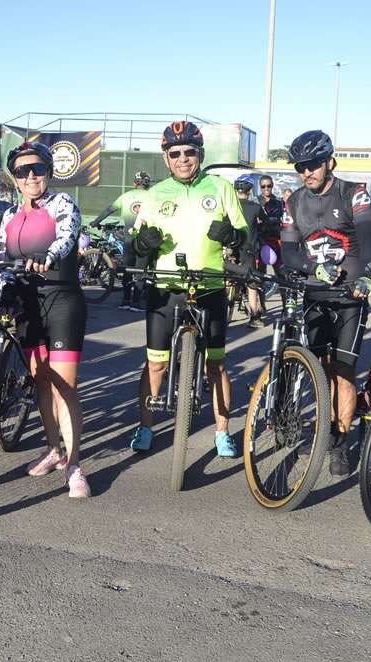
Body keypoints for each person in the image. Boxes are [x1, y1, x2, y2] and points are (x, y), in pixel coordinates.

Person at [128, 121, 251, 458]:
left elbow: (244, 234)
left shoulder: (220, 188)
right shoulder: (155, 194)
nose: (183, 158)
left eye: (189, 152)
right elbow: (135, 242)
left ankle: (222, 432)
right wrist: (142, 243)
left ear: (201, 154)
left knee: (216, 364)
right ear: (165, 158)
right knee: (156, 364)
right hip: (166, 288)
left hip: (209, 285)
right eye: (175, 153)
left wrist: (232, 236)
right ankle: (145, 427)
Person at [280, 130, 371, 476]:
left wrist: (366, 275)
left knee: (344, 370)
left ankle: (341, 441)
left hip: (350, 295)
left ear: (329, 162)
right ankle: (325, 429)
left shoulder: (354, 194)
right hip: (314, 294)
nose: (307, 172)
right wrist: (312, 269)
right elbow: (288, 252)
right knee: (320, 370)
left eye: (313, 165)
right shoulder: (293, 203)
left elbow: (368, 244)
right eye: (300, 167)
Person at [0, 142, 90, 498]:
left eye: (37, 168)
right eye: (22, 171)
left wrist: (47, 255)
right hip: (28, 305)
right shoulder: (9, 215)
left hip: (62, 299)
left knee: (64, 386)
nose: (31, 176)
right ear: (15, 179)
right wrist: (3, 285)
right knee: (40, 381)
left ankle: (75, 465)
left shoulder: (62, 203)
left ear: (49, 171)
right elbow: (4, 257)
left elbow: (67, 237)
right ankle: (54, 449)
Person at [92, 170, 152, 311]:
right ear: (147, 184)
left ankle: (125, 301)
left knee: (127, 269)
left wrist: (96, 222)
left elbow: (109, 209)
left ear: (134, 183)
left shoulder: (125, 196)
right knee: (140, 270)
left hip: (128, 238)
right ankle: (136, 302)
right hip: (144, 240)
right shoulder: (152, 196)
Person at [234, 175, 268, 327]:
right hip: (248, 248)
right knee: (251, 282)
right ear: (249, 190)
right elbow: (265, 222)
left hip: (231, 246)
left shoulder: (230, 205)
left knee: (228, 278)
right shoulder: (255, 207)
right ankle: (254, 317)